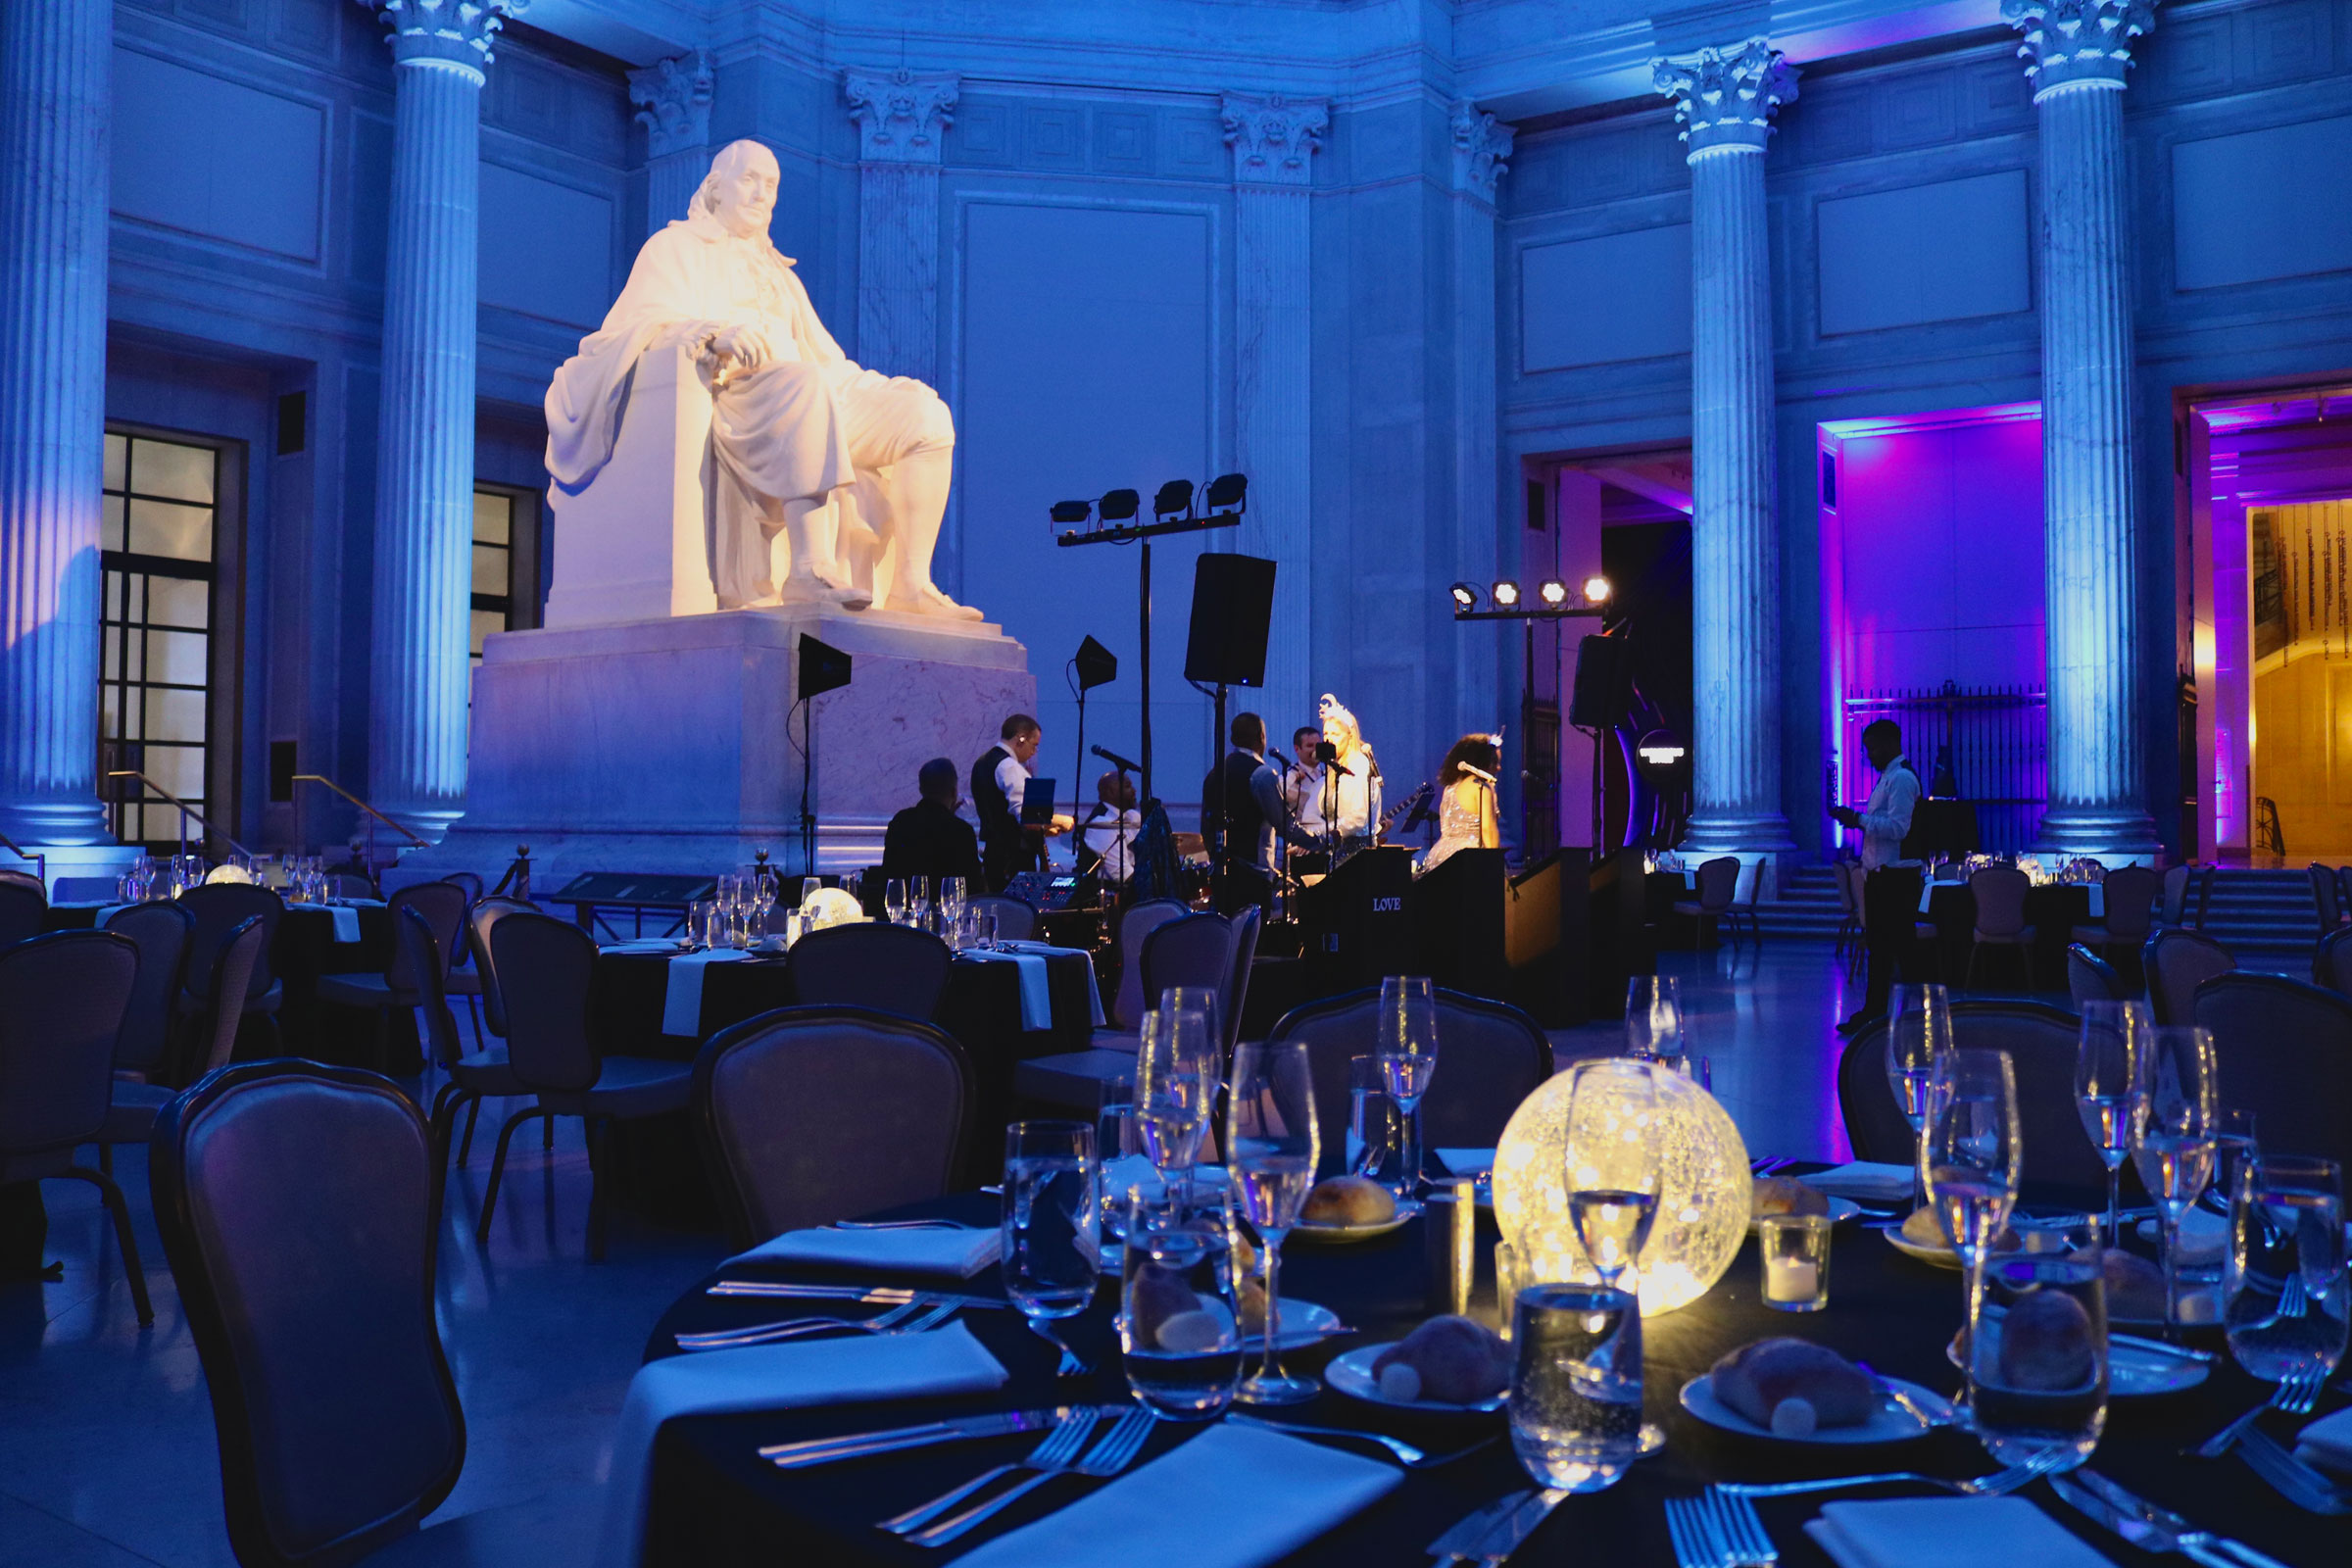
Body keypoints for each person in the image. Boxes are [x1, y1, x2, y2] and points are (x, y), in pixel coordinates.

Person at [544, 139, 977, 618]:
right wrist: (712, 332)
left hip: (809, 388)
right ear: (715, 187)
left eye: (770, 185)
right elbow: (633, 327)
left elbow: (825, 356)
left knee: (925, 415)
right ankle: (809, 569)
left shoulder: (780, 274)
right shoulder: (675, 248)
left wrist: (875, 389)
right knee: (806, 387)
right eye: (749, 180)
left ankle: (912, 583)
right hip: (737, 392)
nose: (761, 195)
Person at [1832, 718, 1922, 1035]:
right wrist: (1858, 820)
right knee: (1881, 950)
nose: (1868, 755)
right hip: (1881, 875)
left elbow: (1899, 829)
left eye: (1871, 748)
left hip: (1896, 878)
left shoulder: (1901, 780)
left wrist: (1857, 819)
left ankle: (1910, 1016)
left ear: (1887, 744)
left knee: (1897, 951)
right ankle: (1877, 1013)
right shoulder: (1889, 778)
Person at [1202, 712, 1318, 913]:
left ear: (1233, 739)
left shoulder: (1215, 773)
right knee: (1254, 939)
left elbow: (1206, 827)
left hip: (1221, 875)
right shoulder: (1262, 774)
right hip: (1253, 877)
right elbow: (1284, 824)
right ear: (1261, 737)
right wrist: (1321, 840)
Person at [972, 713, 1058, 891]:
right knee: (1018, 913)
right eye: (1034, 745)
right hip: (1013, 859)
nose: (1034, 752)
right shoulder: (1010, 767)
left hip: (993, 853)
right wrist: (1061, 821)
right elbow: (1029, 818)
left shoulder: (981, 762)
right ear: (1021, 739)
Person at [880, 758, 985, 890]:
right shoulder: (961, 831)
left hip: (904, 907)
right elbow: (973, 888)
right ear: (953, 792)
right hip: (947, 909)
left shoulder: (900, 822)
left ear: (921, 789)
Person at [1420, 732, 1503, 874]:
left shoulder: (1451, 787)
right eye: (1495, 762)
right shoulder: (1480, 787)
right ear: (1481, 761)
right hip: (1469, 861)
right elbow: (1488, 831)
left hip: (1441, 857)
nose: (1498, 768)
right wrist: (1495, 869)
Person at [1314, 694, 1383, 847]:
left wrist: (1322, 835)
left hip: (1356, 852)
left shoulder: (1358, 765)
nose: (1328, 739)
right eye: (1326, 733)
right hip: (1337, 850)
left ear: (1350, 736)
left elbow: (1357, 818)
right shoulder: (1333, 770)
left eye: (1335, 734)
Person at [1074, 770, 1142, 887]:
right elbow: (1122, 875)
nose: (1134, 791)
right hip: (1106, 897)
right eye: (1127, 786)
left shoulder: (1131, 816)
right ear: (1111, 792)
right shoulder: (1101, 825)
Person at [1282, 725, 1326, 842]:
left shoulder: (1328, 774)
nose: (1315, 750)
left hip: (1326, 837)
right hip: (1302, 840)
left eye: (1318, 745)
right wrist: (1293, 776)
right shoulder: (1290, 776)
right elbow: (1276, 792)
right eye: (1310, 746)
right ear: (1297, 749)